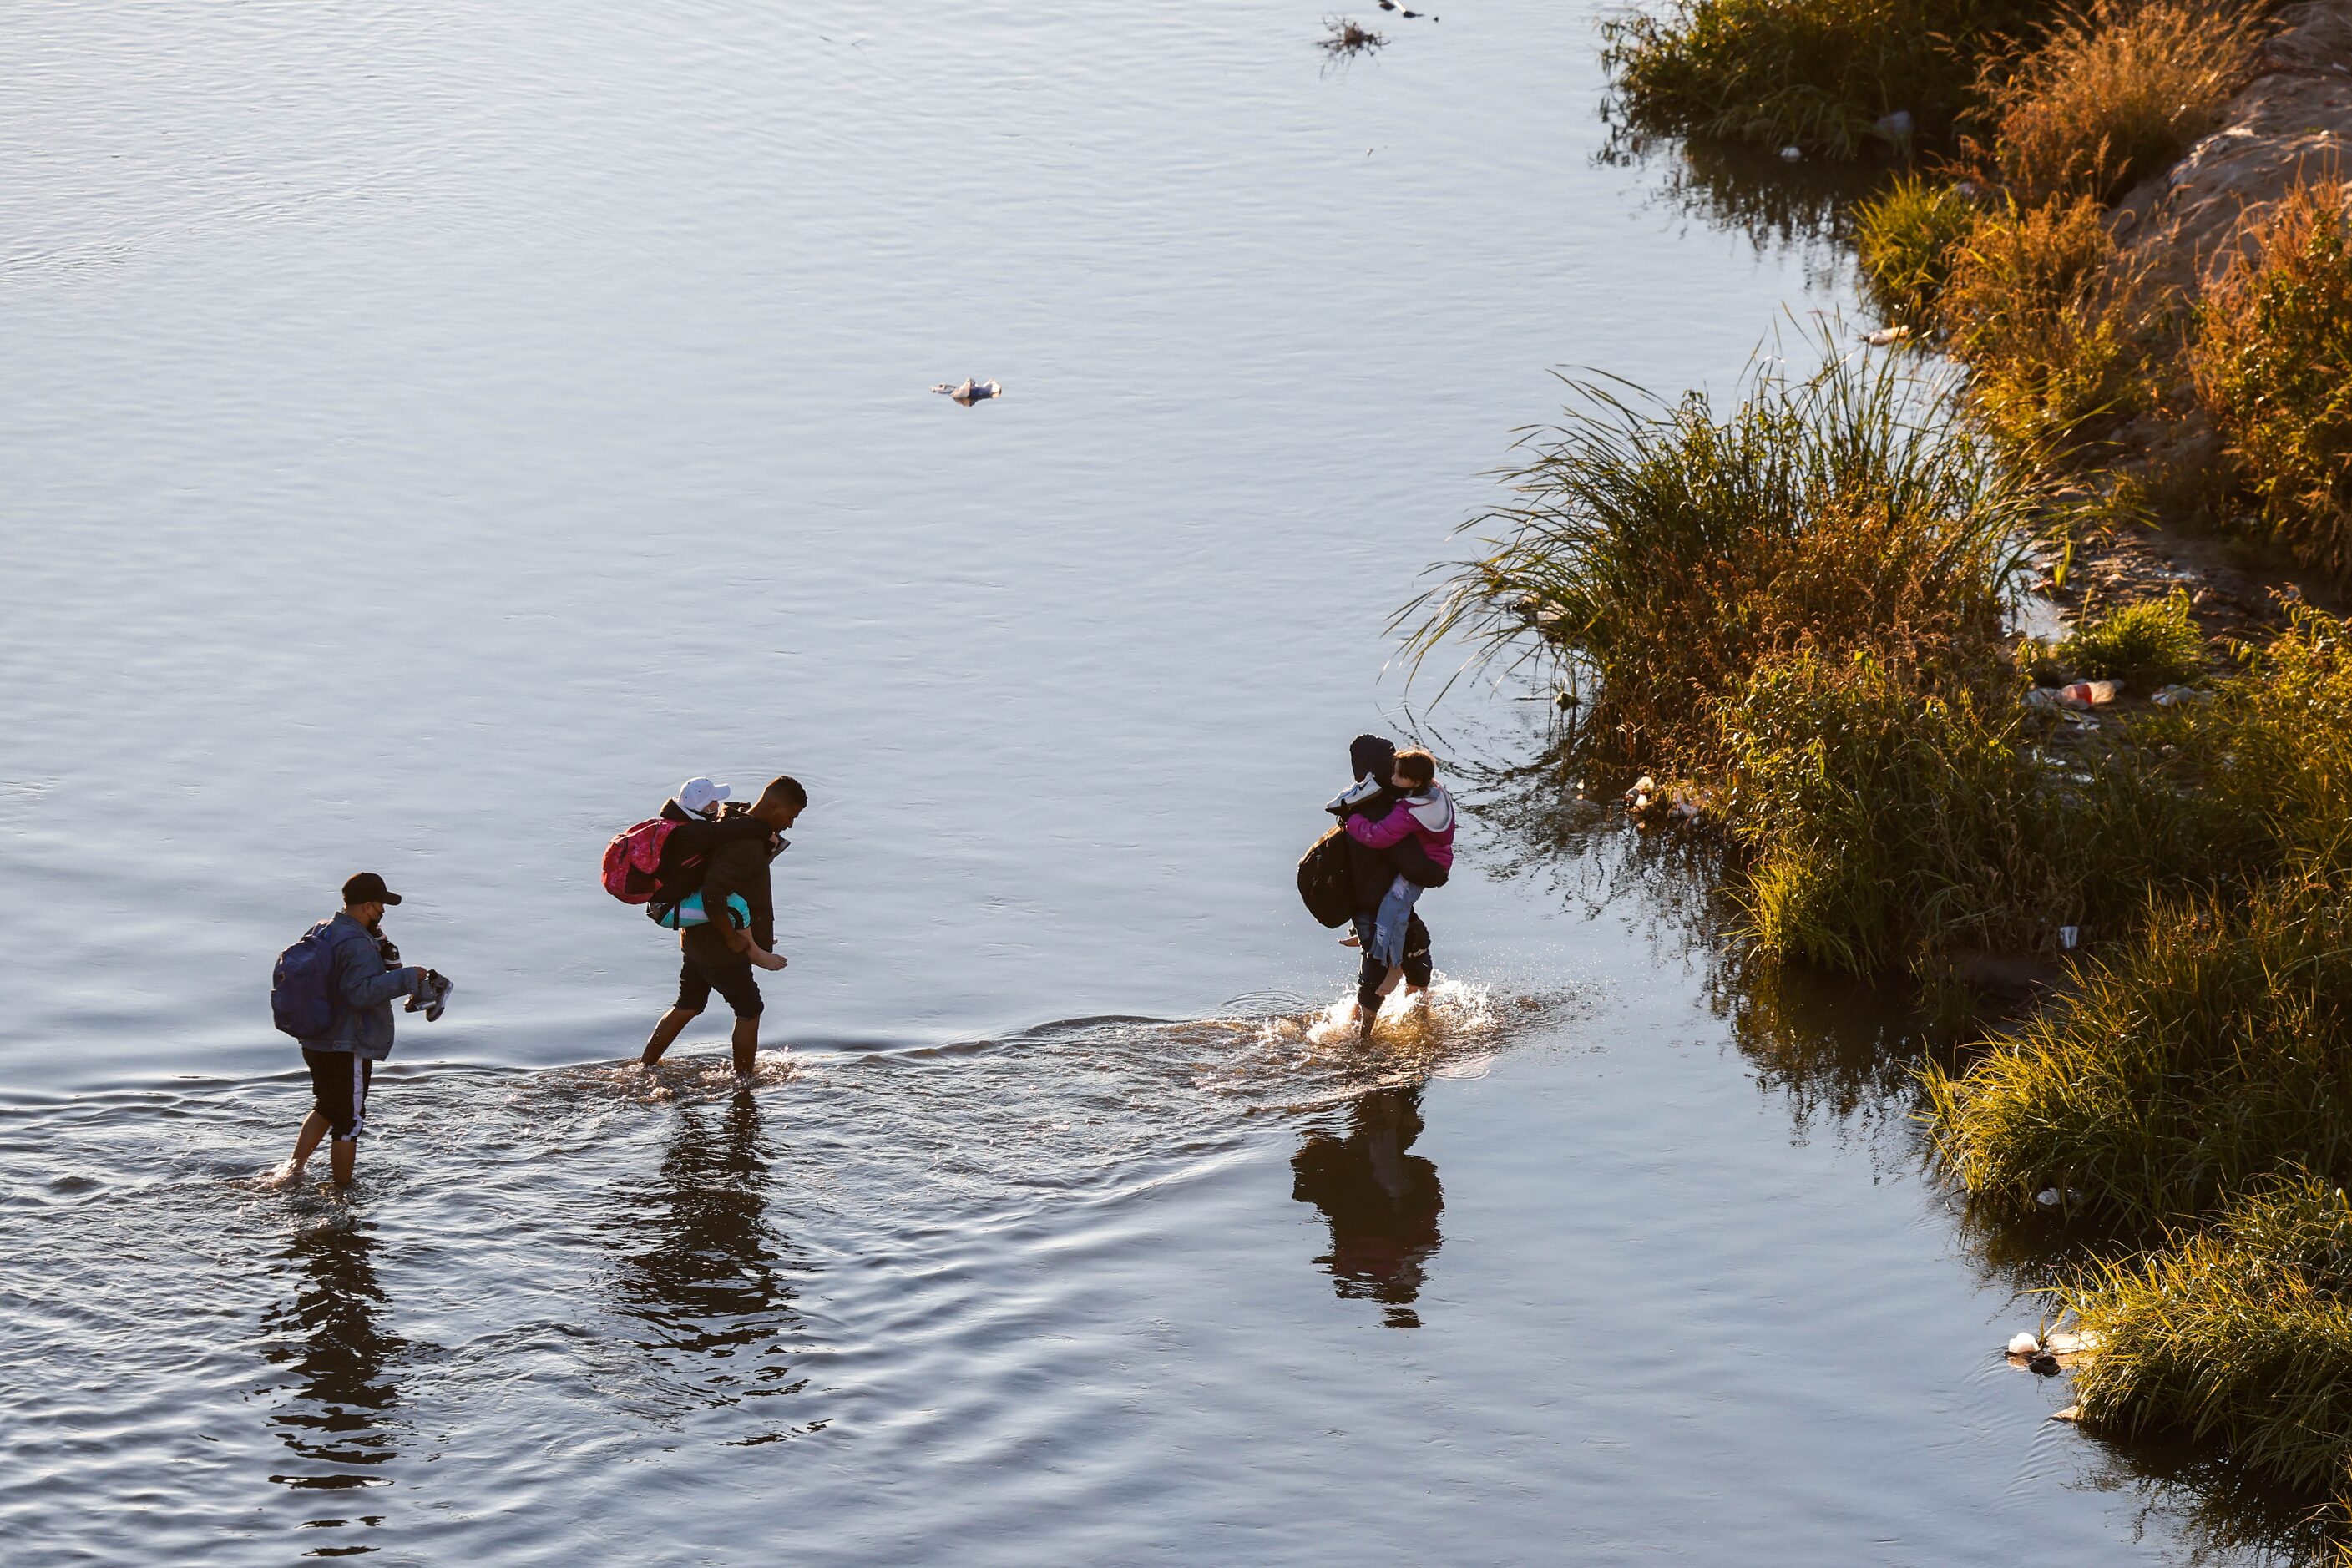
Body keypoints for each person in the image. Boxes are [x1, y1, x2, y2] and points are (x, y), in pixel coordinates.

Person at [640, 774, 807, 1077]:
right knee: (750, 1010)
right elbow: (714, 892)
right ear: (773, 805)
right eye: (790, 816)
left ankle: (644, 1068)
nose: (791, 824)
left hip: (696, 940)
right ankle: (744, 1084)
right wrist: (733, 939)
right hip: (721, 948)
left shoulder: (729, 821)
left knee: (689, 1004)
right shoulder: (746, 846)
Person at [278, 873, 438, 1187]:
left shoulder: (323, 929)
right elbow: (359, 993)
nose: (382, 912)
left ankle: (293, 1171)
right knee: (349, 1122)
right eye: (380, 906)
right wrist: (409, 977)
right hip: (346, 1043)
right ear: (367, 906)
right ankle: (343, 1193)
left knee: (326, 1106)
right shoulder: (359, 945)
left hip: (315, 1037)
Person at [1325, 736, 1442, 1037]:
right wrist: (1436, 873)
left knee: (1411, 954)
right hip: (1379, 904)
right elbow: (1413, 863)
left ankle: (1408, 1028)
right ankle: (1363, 1040)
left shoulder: (1355, 805)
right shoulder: (1386, 811)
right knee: (1386, 966)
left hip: (1370, 904)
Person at [1343, 747, 1455, 1024]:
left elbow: (1378, 837)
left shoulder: (1409, 812)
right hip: (1430, 859)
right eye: (1392, 771)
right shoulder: (1433, 792)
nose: (1392, 778)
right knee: (1389, 906)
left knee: (1395, 905)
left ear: (1415, 782)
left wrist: (1351, 820)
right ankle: (1369, 934)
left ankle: (1393, 964)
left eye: (1399, 775)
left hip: (1423, 866)